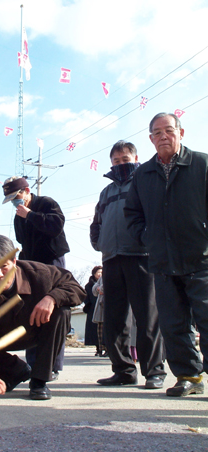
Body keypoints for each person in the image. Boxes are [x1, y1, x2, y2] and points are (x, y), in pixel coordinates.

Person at [124, 112, 208, 397]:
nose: (163, 136)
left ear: (181, 133)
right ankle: (189, 377)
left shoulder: (202, 164)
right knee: (173, 324)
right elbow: (132, 214)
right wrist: (147, 238)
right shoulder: (142, 174)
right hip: (162, 261)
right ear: (150, 139)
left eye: (168, 130)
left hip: (202, 258)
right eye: (157, 133)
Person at [0, 235, 86, 400]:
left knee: (61, 312)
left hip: (39, 329)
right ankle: (14, 372)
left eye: (4, 266)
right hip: (3, 339)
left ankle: (39, 380)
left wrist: (52, 298)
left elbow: (77, 289)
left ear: (14, 261)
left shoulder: (40, 274)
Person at [90, 140, 166, 389]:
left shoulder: (145, 181)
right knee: (114, 319)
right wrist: (99, 242)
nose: (121, 164)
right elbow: (97, 222)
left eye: (126, 159)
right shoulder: (106, 191)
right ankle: (123, 370)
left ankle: (154, 371)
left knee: (147, 317)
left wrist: (147, 241)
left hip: (141, 257)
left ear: (136, 158)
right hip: (111, 259)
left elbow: (157, 214)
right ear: (110, 163)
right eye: (116, 160)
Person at [2, 176, 71, 379]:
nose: (15, 201)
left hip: (52, 262)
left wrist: (30, 215)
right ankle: (34, 364)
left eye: (17, 196)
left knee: (53, 311)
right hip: (31, 266)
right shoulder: (18, 217)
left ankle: (52, 366)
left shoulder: (46, 203)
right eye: (11, 199)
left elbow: (56, 226)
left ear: (26, 190)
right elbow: (22, 241)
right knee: (32, 312)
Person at [83, 266, 102, 356]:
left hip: (102, 308)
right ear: (94, 273)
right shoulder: (88, 285)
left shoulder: (105, 282)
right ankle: (98, 348)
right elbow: (85, 297)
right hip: (92, 309)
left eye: (102, 272)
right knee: (94, 330)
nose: (100, 274)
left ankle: (105, 348)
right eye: (98, 272)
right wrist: (88, 305)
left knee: (103, 329)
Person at [91, 274, 108, 357]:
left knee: (108, 330)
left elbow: (107, 286)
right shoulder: (102, 278)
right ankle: (101, 349)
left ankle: (108, 349)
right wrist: (98, 288)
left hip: (109, 304)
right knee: (100, 329)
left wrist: (101, 288)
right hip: (101, 305)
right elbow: (95, 287)